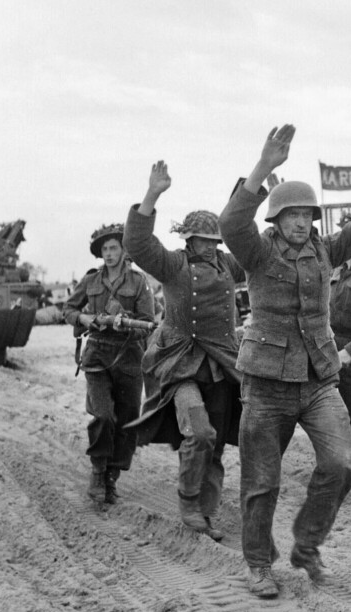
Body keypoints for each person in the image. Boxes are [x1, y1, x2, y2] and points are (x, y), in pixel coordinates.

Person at [218, 124, 351, 598]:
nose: (301, 222)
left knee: (342, 466)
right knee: (262, 481)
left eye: (307, 215)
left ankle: (306, 546)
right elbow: (232, 223)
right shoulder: (256, 251)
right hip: (265, 382)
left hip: (318, 379)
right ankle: (258, 564)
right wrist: (263, 166)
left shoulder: (326, 249)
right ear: (276, 219)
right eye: (292, 214)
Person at [123, 160, 245, 541]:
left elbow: (253, 248)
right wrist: (153, 193)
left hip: (222, 365)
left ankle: (204, 514)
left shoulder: (228, 264)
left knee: (218, 444)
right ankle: (189, 504)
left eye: (215, 241)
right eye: (203, 240)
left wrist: (258, 196)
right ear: (189, 240)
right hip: (180, 366)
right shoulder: (173, 265)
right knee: (202, 434)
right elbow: (138, 243)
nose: (211, 247)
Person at [283, 244, 351, 483]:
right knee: (329, 416)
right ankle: (336, 467)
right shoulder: (335, 275)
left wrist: (349, 352)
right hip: (328, 357)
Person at [64, 223, 155, 505]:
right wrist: (83, 319)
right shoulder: (91, 280)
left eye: (114, 247)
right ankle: (98, 471)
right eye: (105, 249)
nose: (110, 253)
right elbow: (69, 308)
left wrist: (124, 321)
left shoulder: (139, 282)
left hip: (128, 357)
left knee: (127, 422)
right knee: (102, 415)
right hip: (97, 356)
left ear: (124, 250)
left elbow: (148, 324)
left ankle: (112, 477)